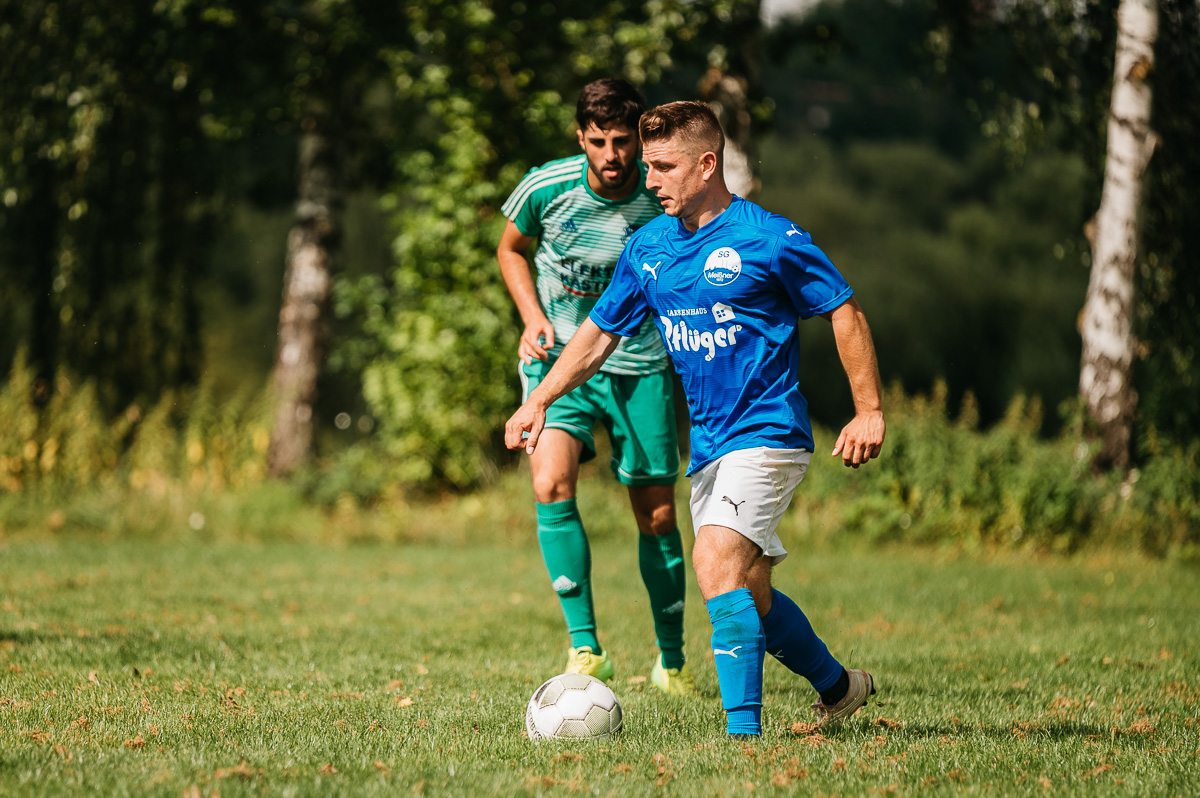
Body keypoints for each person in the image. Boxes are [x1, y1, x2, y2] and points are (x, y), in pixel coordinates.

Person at [505, 100, 886, 737]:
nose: (648, 179)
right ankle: (840, 687)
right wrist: (539, 398)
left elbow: (843, 310)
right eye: (649, 166)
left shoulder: (768, 238)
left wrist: (867, 410)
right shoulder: (649, 246)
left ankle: (743, 740)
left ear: (707, 165)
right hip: (710, 445)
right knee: (750, 592)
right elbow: (599, 335)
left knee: (714, 564)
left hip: (767, 432)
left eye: (664, 167)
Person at [496, 79, 696, 695]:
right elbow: (511, 250)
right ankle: (586, 649)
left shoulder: (662, 196)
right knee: (550, 483)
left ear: (639, 138)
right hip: (559, 363)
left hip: (642, 365)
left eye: (623, 142)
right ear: (580, 138)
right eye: (599, 142)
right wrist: (531, 315)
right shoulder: (545, 187)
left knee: (657, 513)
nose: (613, 155)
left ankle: (671, 662)